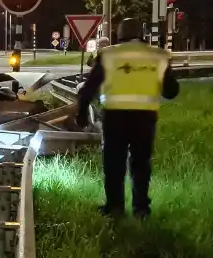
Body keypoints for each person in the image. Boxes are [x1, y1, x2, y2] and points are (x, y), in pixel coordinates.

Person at [75, 17, 180, 219]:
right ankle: (141, 209)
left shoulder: (109, 55)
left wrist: (81, 114)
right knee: (141, 164)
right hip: (145, 118)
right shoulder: (158, 56)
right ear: (142, 34)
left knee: (114, 164)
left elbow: (88, 89)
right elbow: (171, 91)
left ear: (119, 34)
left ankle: (115, 209)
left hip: (115, 118)